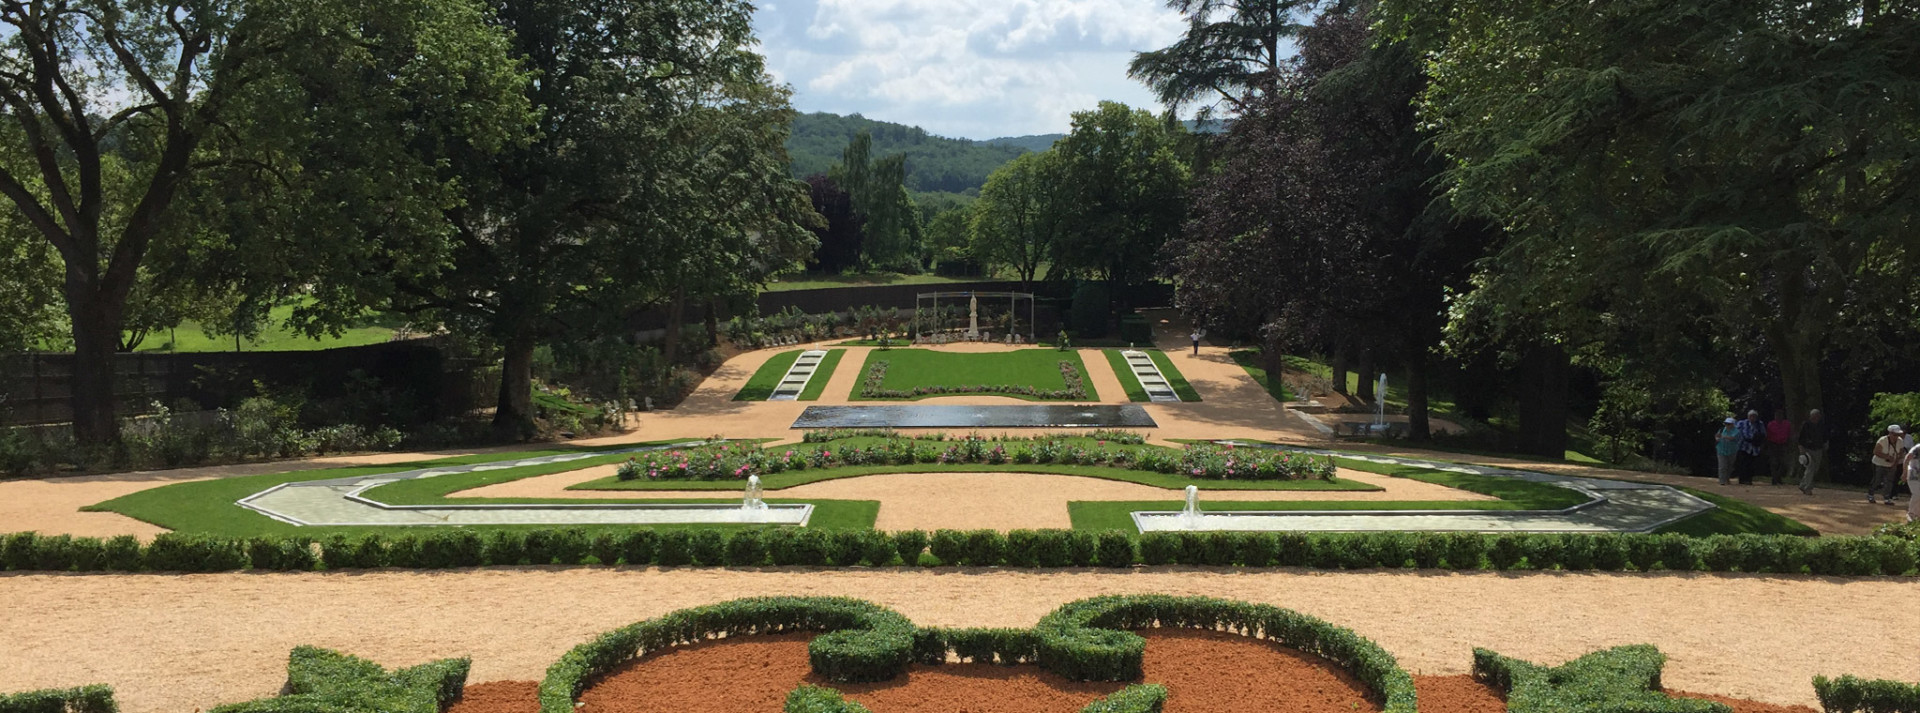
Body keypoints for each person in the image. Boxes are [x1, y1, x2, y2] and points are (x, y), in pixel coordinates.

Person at [1796, 409, 1829, 495]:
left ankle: (1802, 484)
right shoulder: (1806, 425)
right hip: (1808, 449)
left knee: (1814, 469)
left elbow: (1825, 436)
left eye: (1818, 415)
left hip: (1818, 449)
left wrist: (1825, 444)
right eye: (1815, 415)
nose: (1817, 417)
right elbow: (1800, 438)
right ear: (1811, 416)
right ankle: (1807, 487)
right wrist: (1801, 450)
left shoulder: (1822, 425)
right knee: (1810, 468)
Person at [1869, 425, 1904, 505]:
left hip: (1891, 464)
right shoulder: (1882, 440)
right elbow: (1876, 452)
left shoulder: (1900, 441)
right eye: (1894, 434)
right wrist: (1887, 457)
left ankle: (1887, 498)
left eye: (1898, 435)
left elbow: (1900, 453)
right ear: (1890, 433)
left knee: (1889, 481)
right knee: (1877, 480)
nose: (1896, 436)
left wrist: (1895, 463)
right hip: (1879, 463)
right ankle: (1871, 494)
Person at [1734, 410, 1765, 485]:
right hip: (1743, 446)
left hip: (1754, 447)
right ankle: (1742, 479)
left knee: (1751, 464)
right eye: (1751, 416)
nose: (1752, 418)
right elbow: (1737, 432)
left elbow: (1764, 434)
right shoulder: (1742, 423)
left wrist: (1757, 439)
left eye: (1754, 416)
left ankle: (1749, 479)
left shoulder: (1760, 424)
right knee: (1743, 463)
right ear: (1748, 416)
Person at [1764, 410, 1793, 485]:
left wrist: (1789, 444)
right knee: (1774, 463)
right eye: (1777, 416)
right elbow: (1768, 435)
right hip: (1773, 445)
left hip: (1783, 444)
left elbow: (1789, 434)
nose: (1778, 417)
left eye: (1780, 415)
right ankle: (1775, 479)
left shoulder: (1787, 424)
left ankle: (1778, 477)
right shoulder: (1771, 424)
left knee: (1783, 463)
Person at [1714, 416, 1741, 486]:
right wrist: (1717, 438)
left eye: (1729, 424)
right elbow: (1717, 436)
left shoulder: (1736, 431)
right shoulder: (1722, 429)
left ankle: (1727, 478)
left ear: (1733, 424)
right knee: (1722, 466)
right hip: (1721, 449)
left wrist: (1722, 436)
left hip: (1732, 450)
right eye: (1726, 423)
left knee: (1729, 466)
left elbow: (1732, 437)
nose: (1727, 425)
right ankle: (1722, 480)